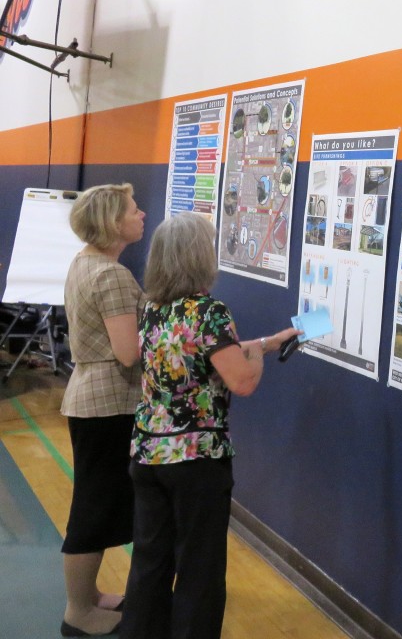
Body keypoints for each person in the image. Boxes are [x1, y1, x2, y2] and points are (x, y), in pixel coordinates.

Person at [120, 213, 299, 639]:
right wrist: (257, 359)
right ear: (200, 258)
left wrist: (267, 343)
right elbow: (241, 379)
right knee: (200, 571)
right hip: (197, 463)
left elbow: (204, 353)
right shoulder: (210, 312)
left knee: (150, 563)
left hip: (148, 454)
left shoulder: (151, 308)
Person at [61, 183, 147, 637]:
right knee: (94, 510)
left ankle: (89, 596)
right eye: (134, 210)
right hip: (107, 404)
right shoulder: (113, 275)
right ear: (115, 223)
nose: (142, 214)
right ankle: (79, 611)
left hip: (88, 397)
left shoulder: (86, 263)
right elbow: (129, 354)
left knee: (94, 502)